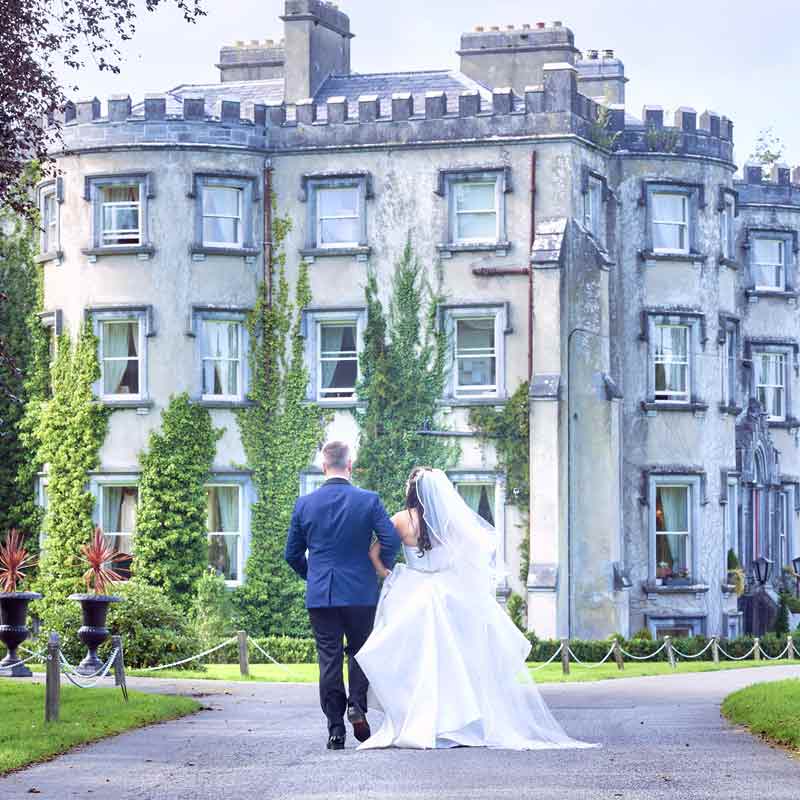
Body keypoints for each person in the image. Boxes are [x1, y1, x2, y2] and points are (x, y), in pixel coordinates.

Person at [358, 467, 597, 751]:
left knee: (416, 662)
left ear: (410, 491)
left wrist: (389, 575)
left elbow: (373, 553)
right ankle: (455, 722)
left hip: (414, 591)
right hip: (448, 593)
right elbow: (472, 551)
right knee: (455, 663)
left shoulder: (399, 520)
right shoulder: (447, 521)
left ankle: (417, 721)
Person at [285, 441, 400, 751]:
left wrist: (313, 576)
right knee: (361, 652)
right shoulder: (368, 500)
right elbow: (390, 538)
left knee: (329, 659)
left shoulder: (304, 504)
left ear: (323, 467)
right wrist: (379, 566)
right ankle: (357, 706)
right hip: (361, 591)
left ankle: (336, 729)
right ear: (350, 465)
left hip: (322, 593)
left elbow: (291, 554)